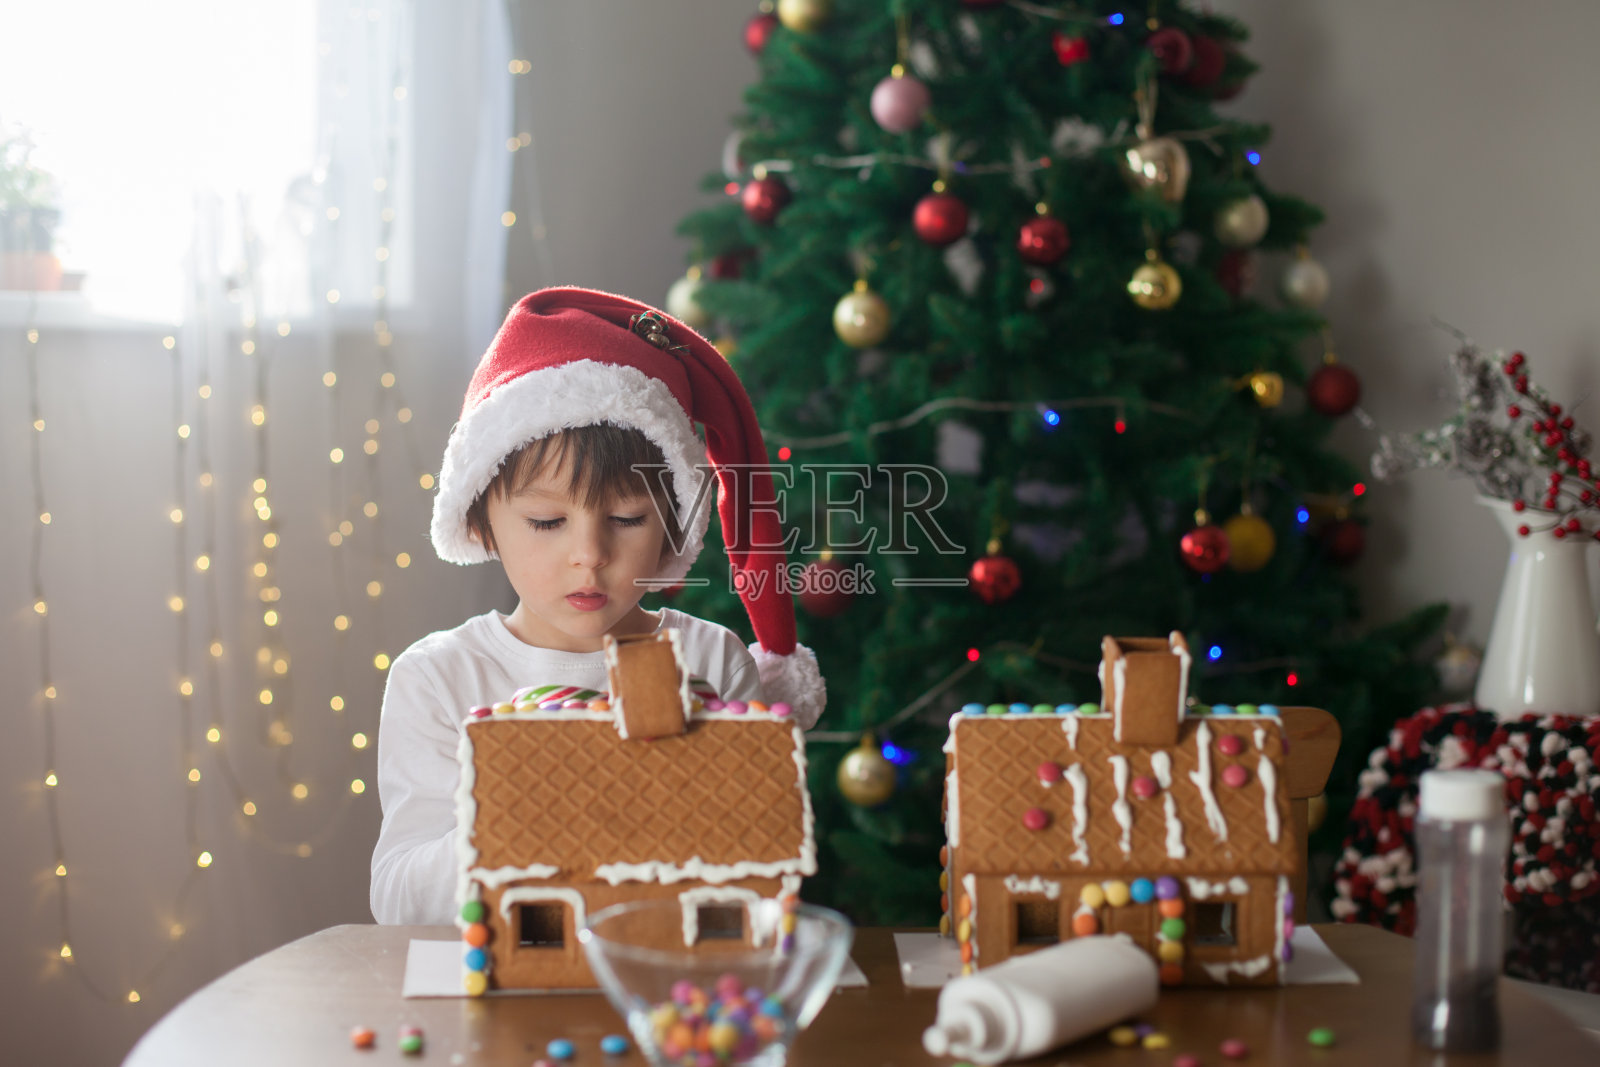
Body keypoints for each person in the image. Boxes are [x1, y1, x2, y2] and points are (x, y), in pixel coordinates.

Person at [370, 286, 825, 925]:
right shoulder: (438, 677)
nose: (589, 554)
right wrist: (513, 807)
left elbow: (762, 875)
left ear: (672, 525)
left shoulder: (710, 660)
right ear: (482, 522)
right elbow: (398, 899)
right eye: (547, 520)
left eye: (626, 517)